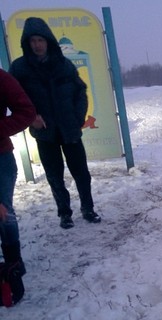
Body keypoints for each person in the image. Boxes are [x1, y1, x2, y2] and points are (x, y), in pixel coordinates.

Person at [9, 17, 101, 229]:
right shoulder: (20, 68)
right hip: (45, 133)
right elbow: (13, 97)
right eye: (32, 40)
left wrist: (78, 118)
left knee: (81, 173)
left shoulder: (64, 64)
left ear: (48, 41)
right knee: (54, 175)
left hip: (70, 129)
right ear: (27, 43)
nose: (37, 45)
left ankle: (88, 208)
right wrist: (30, 117)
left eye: (41, 40)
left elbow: (81, 91)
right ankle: (64, 213)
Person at [0, 69, 36, 304]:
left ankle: (14, 265)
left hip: (0, 159)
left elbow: (26, 111)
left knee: (4, 213)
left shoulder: (1, 79)